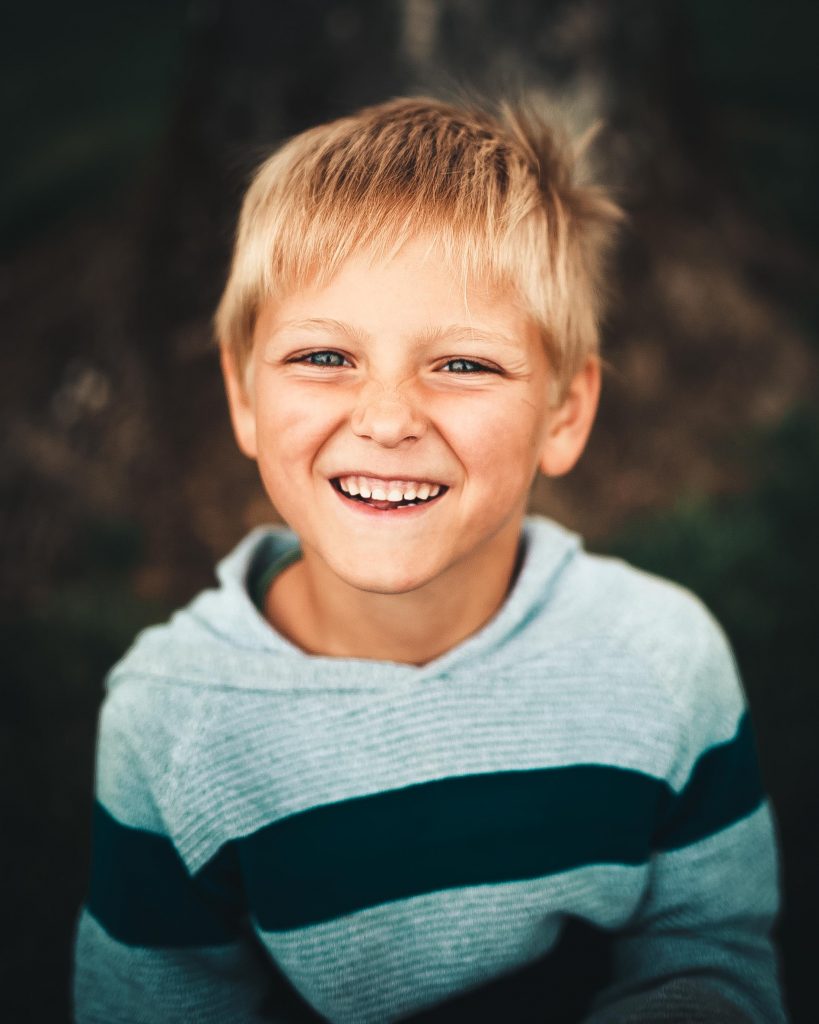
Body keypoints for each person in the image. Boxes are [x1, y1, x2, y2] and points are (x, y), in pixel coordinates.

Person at [73, 96, 788, 1023]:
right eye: (325, 356)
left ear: (564, 413)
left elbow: (709, 951)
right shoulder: (173, 718)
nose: (385, 417)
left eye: (462, 365)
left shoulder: (660, 658)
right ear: (243, 395)